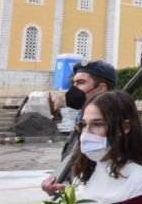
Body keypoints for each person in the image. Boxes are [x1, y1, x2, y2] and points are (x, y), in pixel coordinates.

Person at [71, 91, 142, 203]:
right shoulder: (86, 173)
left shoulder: (139, 179)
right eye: (83, 124)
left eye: (97, 124)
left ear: (125, 127)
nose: (86, 133)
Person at [42, 59, 117, 196]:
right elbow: (75, 167)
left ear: (101, 88)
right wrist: (59, 183)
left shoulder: (115, 126)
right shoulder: (80, 121)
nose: (74, 88)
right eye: (74, 83)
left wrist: (77, 191)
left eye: (80, 83)